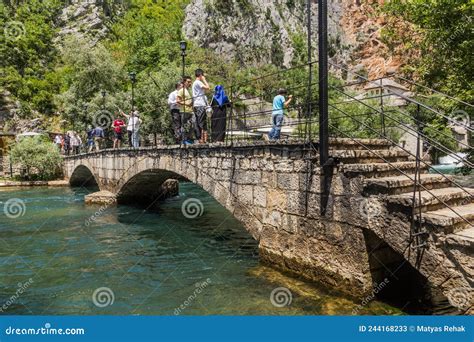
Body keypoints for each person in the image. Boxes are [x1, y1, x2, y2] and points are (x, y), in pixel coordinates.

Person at [192, 69, 211, 143]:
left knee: (200, 121)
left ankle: (202, 139)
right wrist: (204, 80)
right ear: (200, 75)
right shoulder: (198, 82)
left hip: (197, 104)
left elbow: (206, 91)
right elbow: (208, 88)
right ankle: (202, 139)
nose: (203, 76)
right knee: (201, 122)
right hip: (200, 105)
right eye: (202, 75)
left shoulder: (195, 83)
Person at [176, 76, 194, 145]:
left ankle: (188, 139)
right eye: (188, 82)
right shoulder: (181, 90)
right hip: (184, 111)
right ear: (184, 82)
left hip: (190, 111)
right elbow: (177, 101)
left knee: (191, 126)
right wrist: (186, 103)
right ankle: (184, 140)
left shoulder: (188, 91)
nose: (190, 83)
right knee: (185, 126)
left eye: (190, 82)